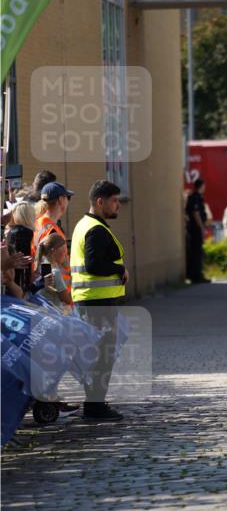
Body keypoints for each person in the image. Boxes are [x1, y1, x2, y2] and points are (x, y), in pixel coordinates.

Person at [70, 180, 127, 421]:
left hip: (91, 302)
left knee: (98, 354)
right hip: (97, 303)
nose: (118, 205)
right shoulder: (95, 229)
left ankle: (95, 403)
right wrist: (119, 269)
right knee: (102, 355)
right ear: (100, 202)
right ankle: (95, 407)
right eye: (114, 201)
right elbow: (93, 265)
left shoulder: (85, 224)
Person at [32, 182, 73, 293]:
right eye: (68, 197)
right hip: (56, 294)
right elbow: (54, 266)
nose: (68, 201)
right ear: (61, 200)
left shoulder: (38, 223)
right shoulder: (51, 230)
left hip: (45, 290)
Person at [33, 232, 73, 312]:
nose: (66, 254)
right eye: (64, 250)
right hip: (53, 313)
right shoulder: (55, 272)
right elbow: (67, 300)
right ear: (53, 251)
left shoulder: (38, 269)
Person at [5, 200, 35, 295]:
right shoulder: (24, 232)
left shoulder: (12, 232)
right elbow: (23, 263)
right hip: (20, 285)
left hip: (13, 282)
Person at [185, 178, 210, 284]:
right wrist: (202, 227)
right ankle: (196, 276)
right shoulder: (195, 197)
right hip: (195, 229)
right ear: (201, 186)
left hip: (193, 228)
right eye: (204, 185)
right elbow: (196, 213)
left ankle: (195, 275)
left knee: (196, 252)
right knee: (196, 252)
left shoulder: (194, 197)